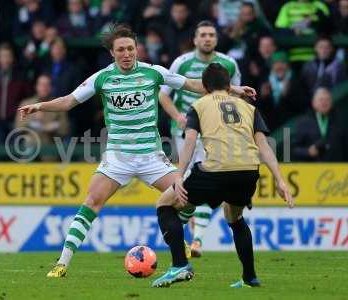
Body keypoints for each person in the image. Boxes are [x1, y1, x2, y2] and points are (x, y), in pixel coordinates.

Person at [17, 24, 256, 278]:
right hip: (118, 158)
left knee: (188, 198)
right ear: (112, 52)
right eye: (121, 50)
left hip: (151, 157)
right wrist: (39, 105)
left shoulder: (154, 73)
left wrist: (234, 89)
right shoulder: (103, 78)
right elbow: (68, 101)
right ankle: (62, 263)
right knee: (91, 202)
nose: (127, 54)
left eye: (131, 48)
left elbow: (193, 85)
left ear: (137, 49)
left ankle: (179, 238)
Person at [152, 63, 294, 288]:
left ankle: (180, 265)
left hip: (216, 170)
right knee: (234, 216)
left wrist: (179, 175)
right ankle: (250, 278)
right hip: (248, 172)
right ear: (229, 86)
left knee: (164, 204)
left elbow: (189, 142)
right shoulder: (248, 108)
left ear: (205, 87)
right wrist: (280, 179)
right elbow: (264, 146)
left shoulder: (199, 105)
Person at [159, 20, 241, 257]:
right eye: (202, 34)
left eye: (211, 35)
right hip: (184, 132)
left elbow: (235, 97)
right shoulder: (182, 63)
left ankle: (195, 241)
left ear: (216, 39)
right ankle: (188, 237)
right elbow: (163, 95)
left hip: (213, 130)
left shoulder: (228, 63)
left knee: (203, 178)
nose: (207, 38)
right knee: (190, 180)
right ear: (195, 39)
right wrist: (177, 116)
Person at [292, 87, 348, 162]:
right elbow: (294, 150)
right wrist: (308, 152)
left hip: (338, 169)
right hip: (313, 170)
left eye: (327, 99)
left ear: (331, 103)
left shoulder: (340, 121)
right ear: (313, 103)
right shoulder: (303, 122)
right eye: (321, 99)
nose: (324, 102)